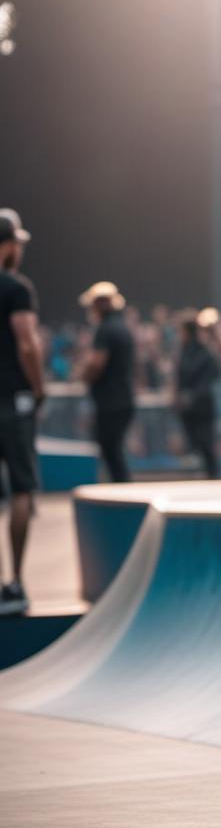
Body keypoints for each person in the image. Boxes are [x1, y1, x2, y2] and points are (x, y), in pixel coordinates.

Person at [0, 210, 44, 615]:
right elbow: (27, 343)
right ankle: (14, 582)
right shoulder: (16, 288)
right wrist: (39, 386)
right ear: (9, 246)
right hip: (11, 399)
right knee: (20, 489)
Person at [78, 282, 135, 483]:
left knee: (111, 451)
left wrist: (82, 376)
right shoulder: (122, 327)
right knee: (114, 450)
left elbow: (95, 364)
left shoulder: (106, 329)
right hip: (122, 398)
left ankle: (124, 496)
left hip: (111, 401)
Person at [174, 313, 221, 479]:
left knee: (204, 442)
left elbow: (213, 373)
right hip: (194, 403)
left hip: (200, 404)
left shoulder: (200, 351)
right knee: (197, 443)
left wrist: (192, 394)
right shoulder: (192, 350)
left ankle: (212, 476)